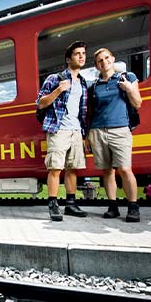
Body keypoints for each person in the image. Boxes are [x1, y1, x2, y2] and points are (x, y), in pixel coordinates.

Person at [87, 47, 142, 222]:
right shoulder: (94, 86)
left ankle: (133, 207)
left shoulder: (128, 77)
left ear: (113, 58)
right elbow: (91, 112)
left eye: (106, 58)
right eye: (100, 61)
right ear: (97, 66)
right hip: (97, 130)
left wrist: (128, 89)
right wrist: (88, 134)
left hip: (119, 129)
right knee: (107, 171)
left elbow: (137, 103)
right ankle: (113, 207)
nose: (104, 62)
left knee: (125, 169)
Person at [36, 40, 89, 221]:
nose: (81, 56)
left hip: (75, 130)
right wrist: (59, 90)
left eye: (83, 53)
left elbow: (82, 111)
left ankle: (71, 205)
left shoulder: (83, 83)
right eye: (77, 54)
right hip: (58, 129)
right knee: (55, 168)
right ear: (68, 59)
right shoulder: (54, 79)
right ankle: (53, 204)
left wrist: (83, 133)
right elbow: (41, 103)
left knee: (72, 169)